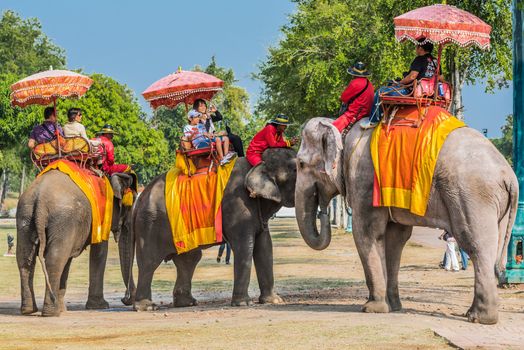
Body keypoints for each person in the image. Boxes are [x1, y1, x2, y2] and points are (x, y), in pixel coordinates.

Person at [361, 38, 444, 129]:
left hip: (412, 91)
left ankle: (373, 121)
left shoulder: (419, 59)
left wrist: (399, 82)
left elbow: (412, 76)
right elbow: (441, 78)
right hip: (429, 93)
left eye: (416, 46)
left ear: (420, 48)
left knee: (381, 91)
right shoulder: (436, 62)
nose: (416, 49)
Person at [332, 62, 374, 132]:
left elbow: (344, 98)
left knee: (333, 129)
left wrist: (340, 97)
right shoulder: (369, 83)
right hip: (368, 112)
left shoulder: (355, 83)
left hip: (357, 113)